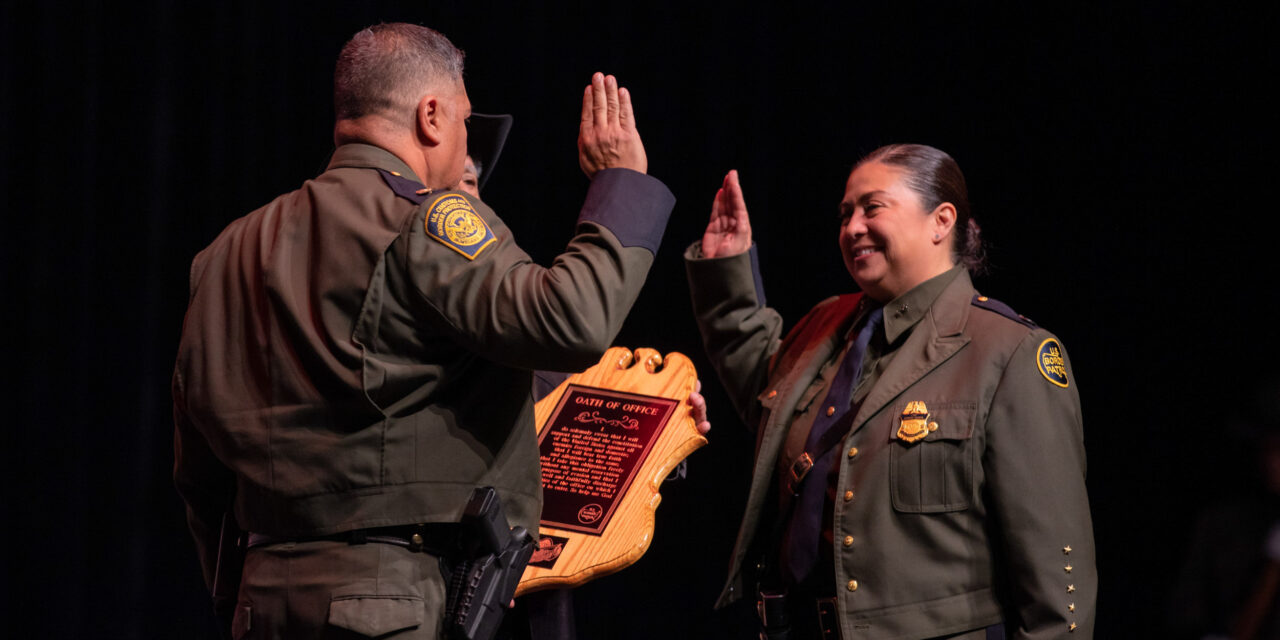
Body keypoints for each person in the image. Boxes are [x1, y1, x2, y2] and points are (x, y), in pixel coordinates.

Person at [173, 22, 676, 639]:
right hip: (387, 602)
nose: (465, 144)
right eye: (465, 120)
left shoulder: (224, 253)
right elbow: (568, 319)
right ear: (431, 116)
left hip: (259, 602)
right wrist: (620, 184)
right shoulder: (423, 220)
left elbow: (198, 472)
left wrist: (237, 592)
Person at [685, 144, 1096, 638]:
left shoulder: (1008, 352)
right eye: (845, 214)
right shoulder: (828, 324)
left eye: (872, 208)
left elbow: (1057, 571)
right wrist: (726, 272)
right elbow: (770, 404)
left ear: (941, 221)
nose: (852, 226)